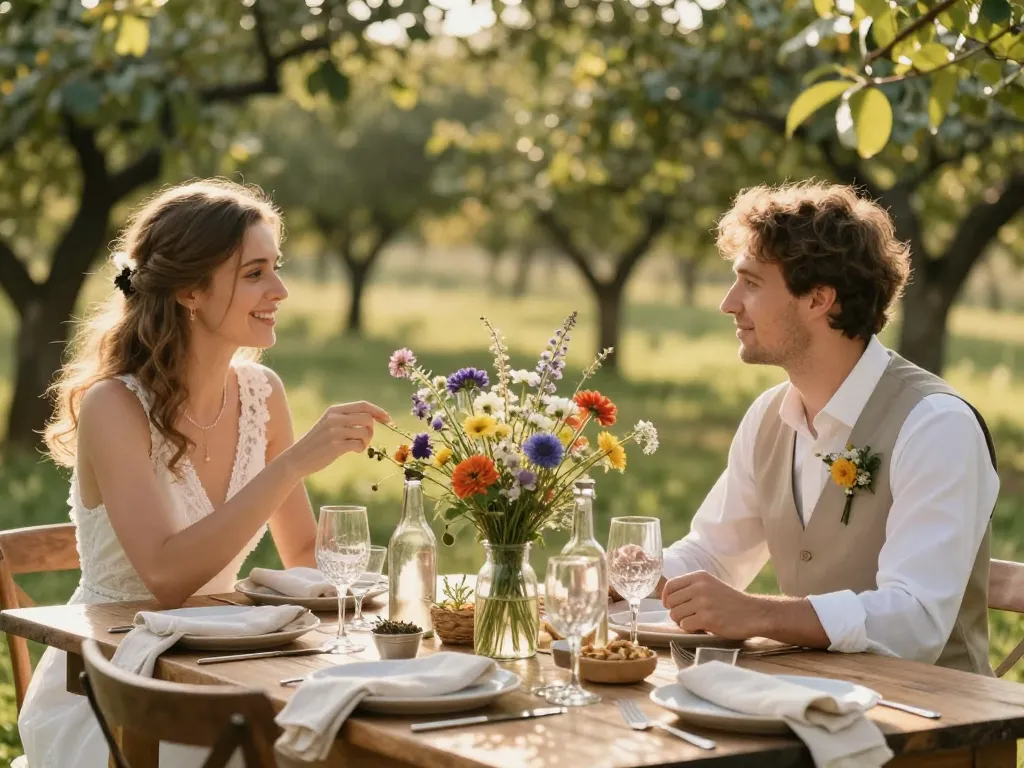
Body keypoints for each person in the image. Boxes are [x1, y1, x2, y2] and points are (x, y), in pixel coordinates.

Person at [17, 179, 391, 767]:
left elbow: (303, 552)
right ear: (190, 290)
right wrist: (293, 463)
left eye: (277, 268)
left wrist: (382, 603)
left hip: (229, 667)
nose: (280, 290)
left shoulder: (262, 393)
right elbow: (167, 578)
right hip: (121, 692)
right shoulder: (114, 406)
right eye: (255, 273)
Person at [660, 181, 999, 675]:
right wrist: (629, 574)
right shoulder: (769, 416)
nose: (729, 304)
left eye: (751, 284)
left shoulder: (936, 426)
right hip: (811, 702)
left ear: (818, 299)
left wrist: (756, 613)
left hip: (935, 725)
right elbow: (714, 553)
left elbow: (916, 623)